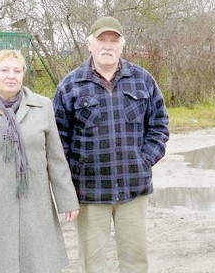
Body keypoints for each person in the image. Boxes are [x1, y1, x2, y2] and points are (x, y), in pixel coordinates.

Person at [53, 16, 170, 272]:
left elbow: (159, 126)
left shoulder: (142, 80)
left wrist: (144, 160)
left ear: (122, 45)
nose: (107, 46)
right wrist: (74, 178)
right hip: (90, 193)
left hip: (133, 189)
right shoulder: (70, 86)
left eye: (113, 41)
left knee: (135, 262)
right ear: (90, 44)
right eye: (101, 40)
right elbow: (58, 142)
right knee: (92, 264)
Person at [0, 49, 80, 272]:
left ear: (23, 74)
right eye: (4, 70)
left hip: (35, 205)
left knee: (38, 265)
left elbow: (56, 158)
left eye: (17, 70)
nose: (11, 76)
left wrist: (67, 200)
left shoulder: (42, 107)